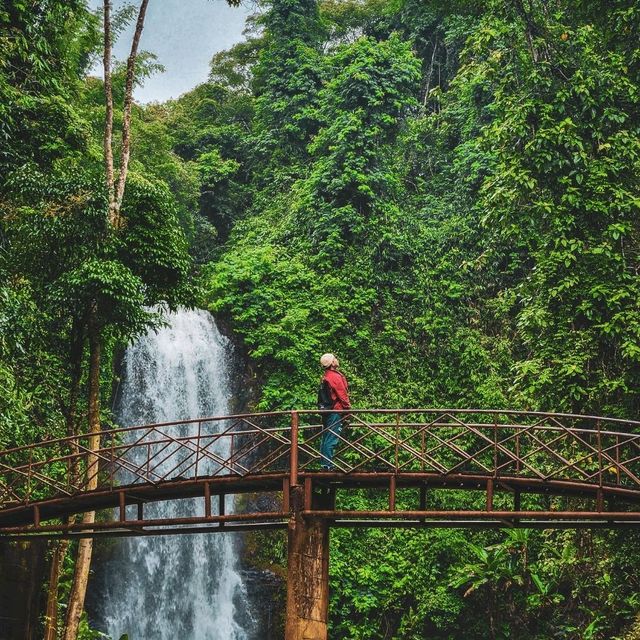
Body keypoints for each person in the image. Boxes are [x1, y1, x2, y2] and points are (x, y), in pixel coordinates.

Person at [318, 353, 351, 470]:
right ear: (332, 363)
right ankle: (327, 465)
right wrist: (348, 410)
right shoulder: (334, 377)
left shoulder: (326, 376)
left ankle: (324, 463)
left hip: (327, 411)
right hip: (335, 411)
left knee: (327, 436)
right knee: (332, 437)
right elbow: (342, 395)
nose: (336, 360)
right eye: (334, 359)